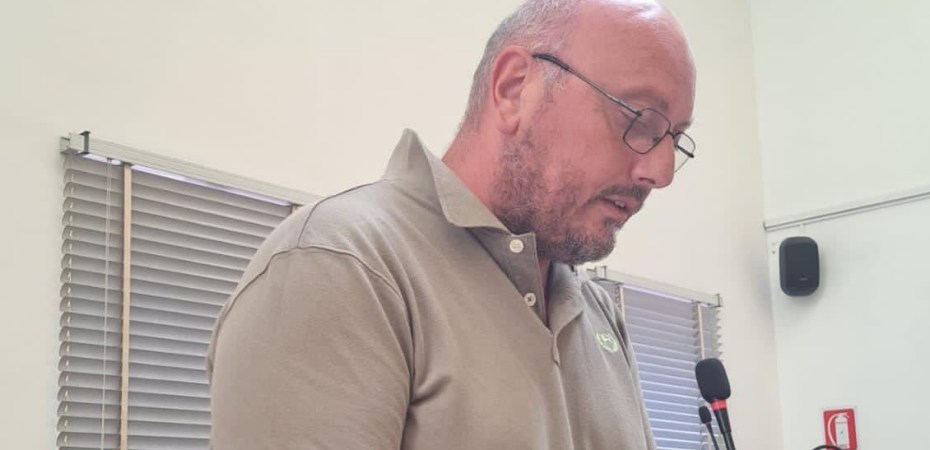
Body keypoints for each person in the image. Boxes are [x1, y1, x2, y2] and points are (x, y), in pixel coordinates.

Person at [208, 0, 696, 448]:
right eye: (640, 121)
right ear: (513, 89)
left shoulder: (596, 310)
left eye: (674, 139)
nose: (662, 172)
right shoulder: (340, 265)